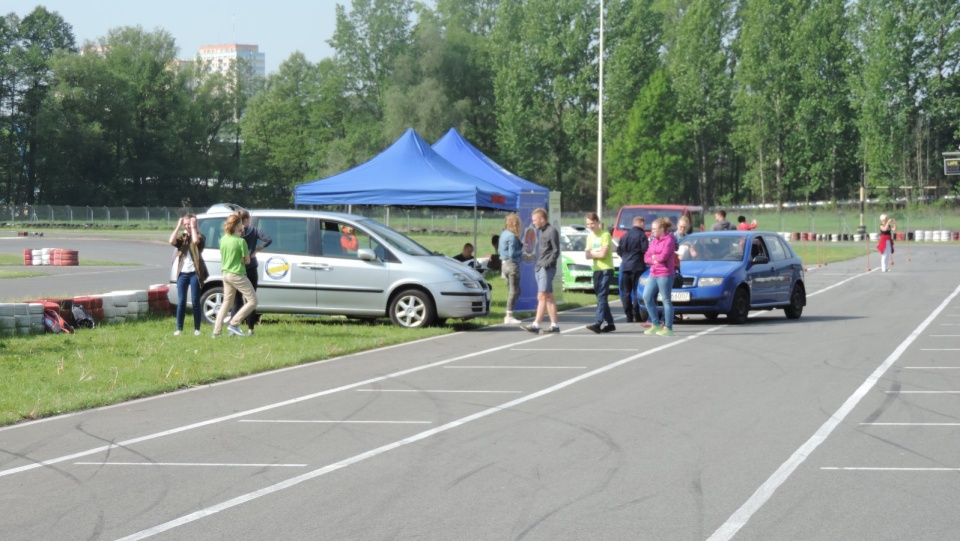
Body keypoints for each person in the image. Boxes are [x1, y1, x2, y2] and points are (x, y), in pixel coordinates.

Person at [213, 212, 258, 338]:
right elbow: (247, 261)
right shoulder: (240, 241)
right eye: (241, 224)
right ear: (238, 225)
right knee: (253, 301)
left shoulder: (223, 240)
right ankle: (234, 323)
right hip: (237, 274)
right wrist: (242, 260)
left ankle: (216, 331)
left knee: (226, 303)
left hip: (226, 274)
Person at [231, 210, 272, 335]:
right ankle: (250, 329)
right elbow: (268, 239)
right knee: (251, 298)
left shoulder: (236, 233)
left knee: (236, 299)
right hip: (251, 266)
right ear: (247, 219)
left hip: (238, 267)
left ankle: (233, 327)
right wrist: (257, 250)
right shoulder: (254, 231)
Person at [521, 208, 560, 334]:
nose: (533, 223)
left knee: (541, 296)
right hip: (539, 266)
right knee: (548, 297)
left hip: (546, 267)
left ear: (542, 219)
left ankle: (536, 324)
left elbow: (555, 250)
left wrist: (547, 264)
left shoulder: (551, 231)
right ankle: (554, 325)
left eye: (535, 220)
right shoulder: (542, 232)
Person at [169, 214, 208, 336]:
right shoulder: (183, 237)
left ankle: (197, 329)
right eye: (185, 224)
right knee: (181, 302)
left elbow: (196, 241)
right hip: (183, 274)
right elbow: (171, 241)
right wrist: (178, 226)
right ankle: (179, 329)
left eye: (189, 224)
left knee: (195, 301)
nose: (187, 226)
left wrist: (193, 226)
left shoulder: (201, 236)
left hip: (194, 273)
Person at [643, 217, 677, 337]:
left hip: (665, 273)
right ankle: (655, 323)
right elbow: (646, 256)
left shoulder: (669, 240)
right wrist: (653, 260)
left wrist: (654, 258)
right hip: (654, 272)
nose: (652, 231)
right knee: (646, 297)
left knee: (666, 300)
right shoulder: (654, 241)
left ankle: (668, 327)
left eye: (654, 229)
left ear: (662, 229)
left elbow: (663, 257)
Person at [584, 212, 616, 333]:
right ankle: (611, 323)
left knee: (602, 296)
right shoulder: (589, 237)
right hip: (596, 269)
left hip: (606, 269)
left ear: (598, 222)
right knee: (600, 297)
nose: (590, 226)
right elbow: (586, 255)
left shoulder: (605, 235)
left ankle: (598, 323)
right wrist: (593, 253)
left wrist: (592, 253)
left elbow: (603, 255)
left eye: (592, 223)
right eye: (588, 224)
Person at [617, 215, 647, 323]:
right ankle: (636, 314)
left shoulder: (624, 236)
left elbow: (619, 251)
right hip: (638, 266)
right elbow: (645, 250)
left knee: (625, 292)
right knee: (636, 291)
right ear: (641, 223)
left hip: (625, 266)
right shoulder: (642, 235)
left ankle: (628, 315)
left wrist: (626, 258)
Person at [499, 214, 522, 324]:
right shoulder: (512, 236)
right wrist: (522, 251)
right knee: (515, 290)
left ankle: (509, 312)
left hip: (504, 264)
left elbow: (501, 251)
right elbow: (512, 253)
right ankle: (509, 315)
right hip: (512, 265)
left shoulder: (503, 234)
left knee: (513, 290)